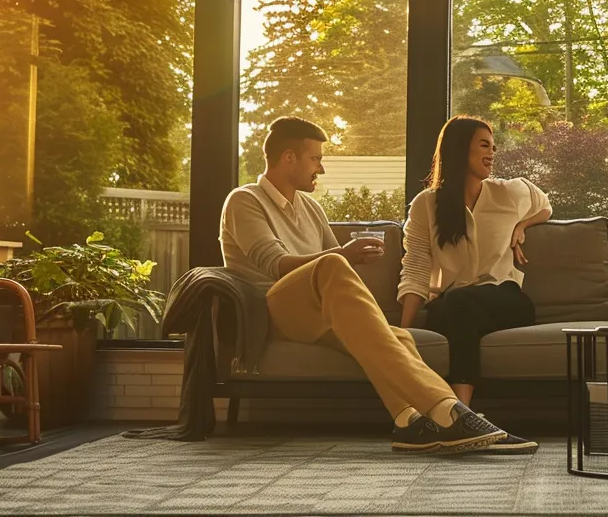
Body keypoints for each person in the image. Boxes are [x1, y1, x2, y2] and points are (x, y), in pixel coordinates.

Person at [221, 116, 519, 455]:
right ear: (288, 157)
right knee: (332, 263)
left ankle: (409, 422)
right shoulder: (244, 200)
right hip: (273, 310)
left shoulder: (310, 207)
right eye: (315, 159)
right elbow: (275, 264)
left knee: (398, 336)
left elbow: (334, 273)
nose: (320, 169)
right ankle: (449, 410)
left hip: (315, 313)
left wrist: (349, 260)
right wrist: (342, 255)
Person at [398, 116, 550, 454]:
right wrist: (403, 334)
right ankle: (462, 415)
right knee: (455, 305)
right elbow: (417, 268)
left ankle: (457, 415)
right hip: (453, 307)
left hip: (506, 301)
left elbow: (545, 205)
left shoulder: (509, 192)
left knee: (460, 304)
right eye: (484, 144)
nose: (492, 153)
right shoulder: (426, 205)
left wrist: (521, 226)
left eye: (493, 146)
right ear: (458, 149)